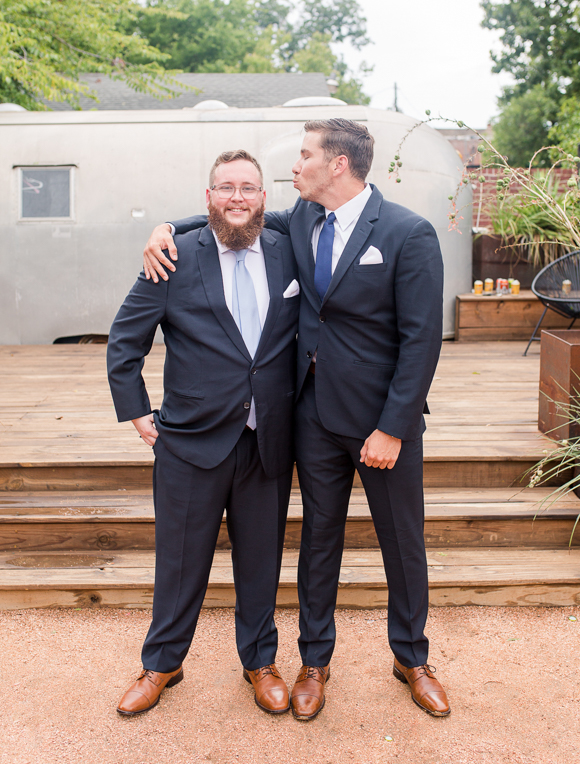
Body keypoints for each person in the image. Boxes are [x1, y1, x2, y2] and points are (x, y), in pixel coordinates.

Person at [141, 119, 449, 719]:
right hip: (312, 416)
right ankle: (314, 661)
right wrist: (164, 228)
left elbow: (422, 341)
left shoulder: (410, 233)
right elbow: (231, 213)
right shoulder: (303, 219)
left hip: (384, 425)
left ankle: (411, 657)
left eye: (305, 155)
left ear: (337, 164)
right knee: (317, 541)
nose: (294, 166)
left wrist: (392, 427)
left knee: (403, 544)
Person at [107, 151, 300, 717]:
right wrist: (136, 410)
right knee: (180, 560)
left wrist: (169, 219)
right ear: (208, 197)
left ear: (265, 197)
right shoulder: (173, 256)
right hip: (189, 443)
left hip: (267, 440)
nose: (237, 198)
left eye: (248, 188)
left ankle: (260, 662)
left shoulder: (289, 248)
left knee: (261, 561)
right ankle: (162, 663)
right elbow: (124, 341)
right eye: (225, 188)